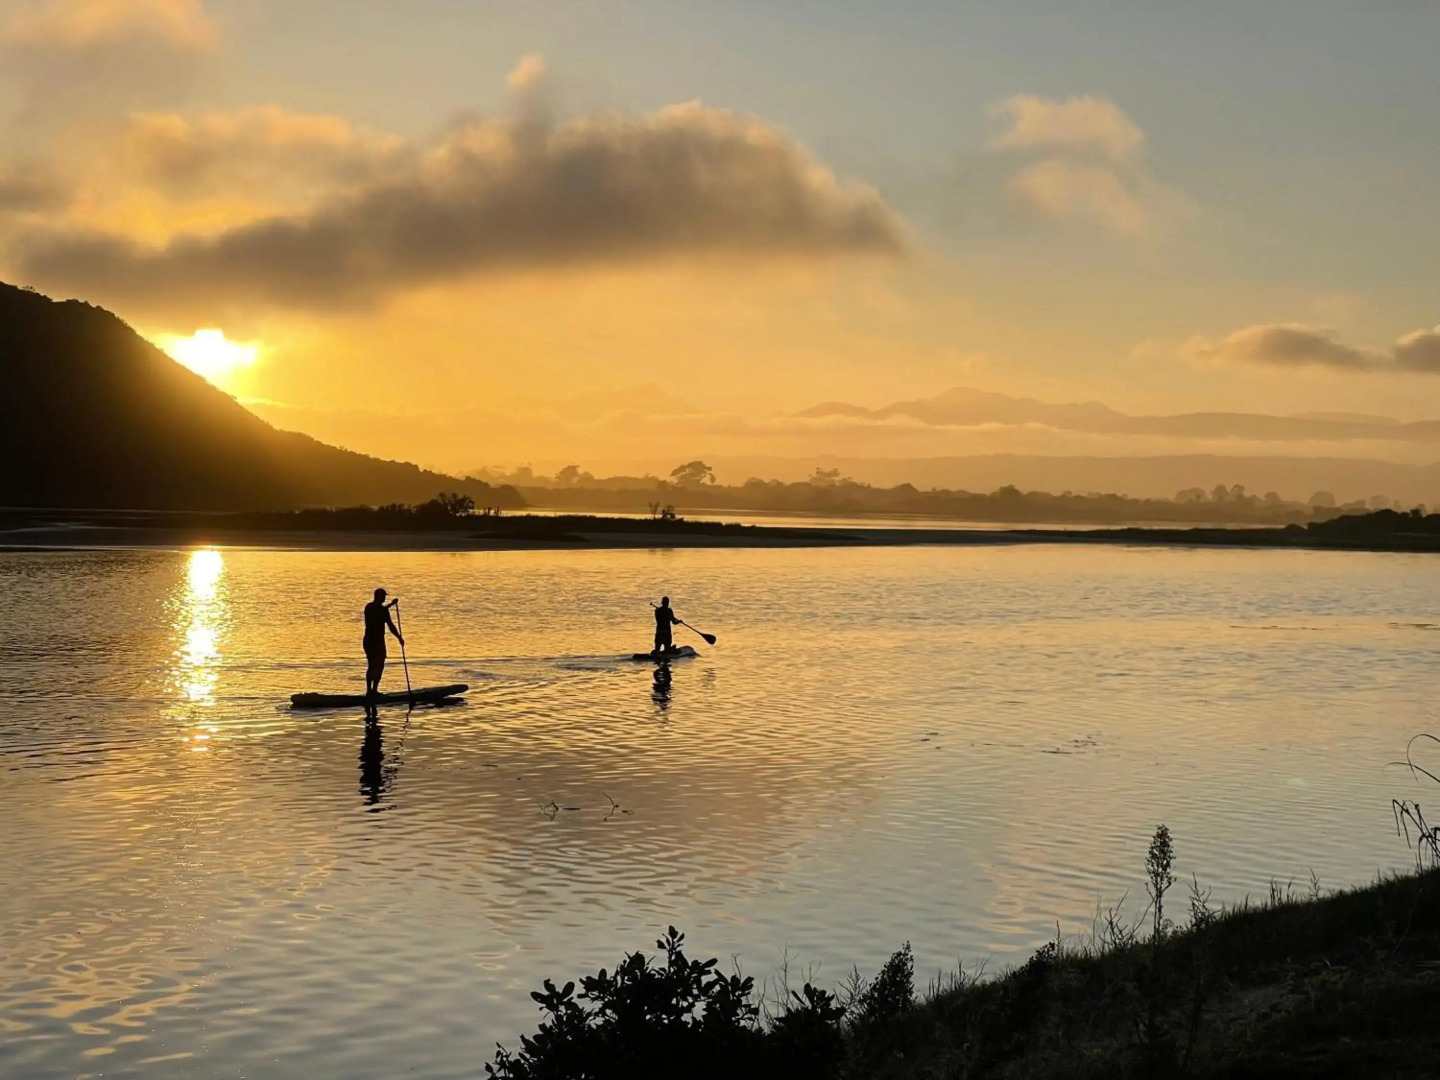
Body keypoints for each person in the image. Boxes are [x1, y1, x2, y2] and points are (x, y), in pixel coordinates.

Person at [364, 588, 403, 696]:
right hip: (372, 640)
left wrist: (399, 637)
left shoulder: (382, 610)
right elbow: (378, 612)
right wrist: (391, 604)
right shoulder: (370, 607)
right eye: (384, 596)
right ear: (379, 596)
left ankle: (374, 690)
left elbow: (390, 626)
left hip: (377, 641)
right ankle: (369, 691)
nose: (385, 598)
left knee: (379, 665)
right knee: (372, 665)